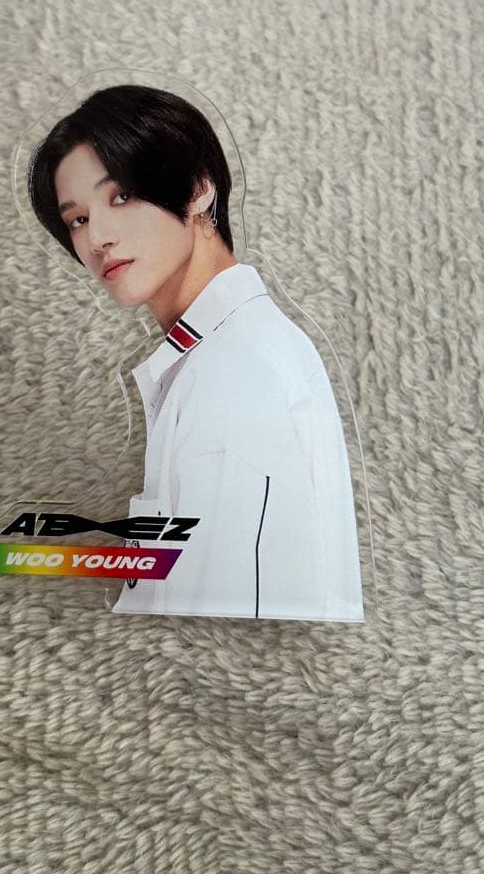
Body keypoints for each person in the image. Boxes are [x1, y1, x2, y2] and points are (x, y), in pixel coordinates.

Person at [26, 84, 363, 621]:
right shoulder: (218, 352)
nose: (98, 238)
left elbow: (210, 626)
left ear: (199, 188)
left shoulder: (236, 369)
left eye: (121, 196)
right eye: (78, 219)